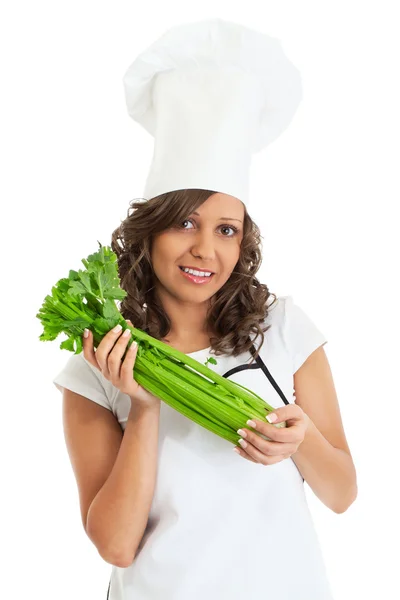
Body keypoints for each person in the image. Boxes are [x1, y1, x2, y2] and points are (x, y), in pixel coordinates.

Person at [53, 18, 352, 599]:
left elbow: (342, 494)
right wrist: (143, 408)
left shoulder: (284, 329)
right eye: (185, 222)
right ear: (151, 230)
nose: (204, 249)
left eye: (226, 229)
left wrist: (303, 439)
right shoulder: (98, 363)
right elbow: (116, 545)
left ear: (244, 242)